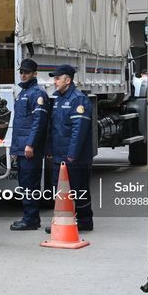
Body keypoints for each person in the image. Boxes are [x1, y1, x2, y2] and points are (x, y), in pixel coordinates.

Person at [45, 64, 94, 233]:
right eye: (54, 78)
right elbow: (54, 128)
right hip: (59, 155)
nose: (54, 81)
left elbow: (78, 131)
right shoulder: (58, 98)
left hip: (74, 157)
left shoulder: (78, 99)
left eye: (57, 78)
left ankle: (85, 221)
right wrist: (50, 150)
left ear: (68, 80)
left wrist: (72, 155)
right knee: (59, 190)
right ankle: (63, 221)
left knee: (78, 190)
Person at [9, 59, 49, 231]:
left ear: (35, 73)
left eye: (27, 72)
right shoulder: (22, 93)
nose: (23, 75)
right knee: (23, 183)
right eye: (22, 72)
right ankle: (30, 217)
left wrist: (30, 145)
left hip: (29, 148)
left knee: (29, 183)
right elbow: (19, 124)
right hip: (21, 146)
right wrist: (14, 148)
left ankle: (31, 218)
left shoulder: (37, 94)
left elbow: (38, 123)